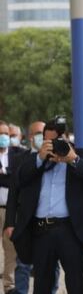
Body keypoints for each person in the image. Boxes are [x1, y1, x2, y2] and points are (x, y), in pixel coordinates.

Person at [11, 120, 83, 293]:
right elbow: (19, 180)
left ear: (66, 138)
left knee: (77, 285)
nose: (52, 145)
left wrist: (73, 160)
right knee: (41, 285)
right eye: (47, 140)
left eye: (56, 140)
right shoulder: (36, 160)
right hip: (41, 232)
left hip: (71, 231)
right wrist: (40, 159)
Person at [5, 121, 60, 294]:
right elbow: (13, 194)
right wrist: (9, 223)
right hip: (26, 222)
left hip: (50, 223)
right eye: (38, 132)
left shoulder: (58, 157)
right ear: (30, 137)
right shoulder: (20, 158)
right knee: (22, 263)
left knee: (52, 264)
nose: (43, 136)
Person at [0, 120, 25, 293]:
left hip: (8, 210)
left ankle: (8, 286)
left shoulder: (17, 155)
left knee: (10, 249)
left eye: (7, 135)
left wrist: (4, 174)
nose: (4, 138)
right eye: (1, 134)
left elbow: (15, 181)